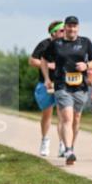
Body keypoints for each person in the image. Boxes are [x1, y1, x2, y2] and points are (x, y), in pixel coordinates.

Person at [41, 16, 92, 166]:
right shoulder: (56, 44)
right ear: (64, 27)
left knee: (76, 119)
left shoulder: (85, 42)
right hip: (61, 85)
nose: (72, 29)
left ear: (78, 27)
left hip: (80, 86)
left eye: (75, 26)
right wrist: (47, 78)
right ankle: (68, 150)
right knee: (67, 118)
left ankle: (71, 146)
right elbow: (44, 59)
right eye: (69, 26)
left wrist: (86, 66)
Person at [29, 20, 65, 157]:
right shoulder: (44, 44)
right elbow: (32, 61)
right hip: (46, 84)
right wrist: (49, 66)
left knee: (63, 115)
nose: (64, 32)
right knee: (47, 114)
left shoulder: (67, 44)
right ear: (53, 32)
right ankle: (45, 140)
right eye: (61, 30)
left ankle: (63, 144)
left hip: (62, 83)